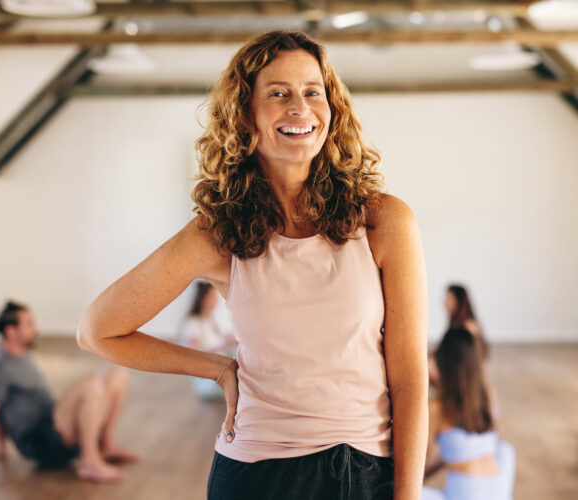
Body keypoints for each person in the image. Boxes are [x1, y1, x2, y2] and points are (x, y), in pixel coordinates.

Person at [77, 30, 428, 500]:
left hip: (363, 471)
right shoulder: (216, 234)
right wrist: (218, 370)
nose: (300, 108)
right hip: (257, 474)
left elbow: (408, 381)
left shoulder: (384, 220)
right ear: (246, 115)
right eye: (278, 93)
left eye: (312, 92)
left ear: (332, 108)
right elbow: (98, 330)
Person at [0, 301, 139, 483]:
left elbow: (1, 407)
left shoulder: (21, 356)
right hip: (41, 440)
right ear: (10, 331)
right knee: (91, 383)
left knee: (118, 375)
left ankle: (107, 446)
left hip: (53, 422)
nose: (36, 329)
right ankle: (89, 461)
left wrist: (1, 449)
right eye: (29, 324)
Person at [422, 327, 515, 500]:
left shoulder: (437, 407)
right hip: (499, 490)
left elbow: (418, 463)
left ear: (444, 362)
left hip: (466, 494)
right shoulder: (487, 396)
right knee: (505, 449)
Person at [181, 281, 238, 399]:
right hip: (208, 382)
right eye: (212, 297)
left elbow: (224, 342)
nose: (215, 301)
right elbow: (193, 353)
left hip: (219, 374)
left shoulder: (211, 321)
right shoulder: (194, 323)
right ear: (202, 299)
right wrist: (224, 345)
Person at [428, 284, 490, 389]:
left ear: (459, 301)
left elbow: (472, 360)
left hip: (460, 379)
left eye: (449, 298)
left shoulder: (468, 329)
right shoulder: (455, 324)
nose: (445, 302)